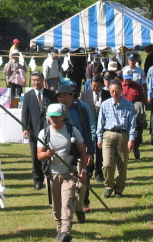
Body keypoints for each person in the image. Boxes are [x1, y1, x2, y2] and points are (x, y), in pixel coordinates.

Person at [37, 103, 87, 242]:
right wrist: (47, 154)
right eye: (51, 117)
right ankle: (59, 229)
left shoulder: (72, 131)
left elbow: (82, 151)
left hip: (69, 173)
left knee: (67, 202)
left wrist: (83, 171)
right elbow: (39, 156)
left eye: (56, 116)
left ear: (63, 116)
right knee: (56, 205)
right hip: (51, 175)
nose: (53, 119)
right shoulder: (44, 133)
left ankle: (65, 231)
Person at [55, 84, 95, 220]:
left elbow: (88, 131)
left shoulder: (80, 110)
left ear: (72, 96)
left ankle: (79, 207)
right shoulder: (54, 111)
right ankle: (68, 211)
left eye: (66, 95)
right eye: (60, 96)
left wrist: (90, 151)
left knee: (82, 183)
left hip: (79, 150)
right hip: (60, 153)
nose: (63, 98)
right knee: (65, 185)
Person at [96, 79, 136, 198]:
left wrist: (131, 139)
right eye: (112, 91)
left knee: (122, 165)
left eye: (117, 91)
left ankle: (119, 188)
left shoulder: (129, 105)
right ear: (109, 91)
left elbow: (132, 124)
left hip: (123, 135)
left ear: (121, 90)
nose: (114, 93)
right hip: (108, 135)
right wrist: (99, 138)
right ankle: (109, 185)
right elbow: (100, 122)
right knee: (107, 164)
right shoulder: (105, 104)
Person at [21, 71, 58, 189]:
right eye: (34, 80)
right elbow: (25, 113)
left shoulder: (51, 94)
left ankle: (49, 176)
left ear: (43, 81)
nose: (36, 82)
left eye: (38, 80)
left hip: (48, 131)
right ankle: (38, 179)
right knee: (35, 156)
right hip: (33, 131)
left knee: (48, 154)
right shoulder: (28, 96)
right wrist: (25, 128)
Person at [80, 75, 111, 183]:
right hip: (89, 127)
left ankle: (99, 173)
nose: (95, 88)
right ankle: (89, 170)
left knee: (101, 151)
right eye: (93, 86)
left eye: (98, 86)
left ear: (102, 85)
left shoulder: (107, 95)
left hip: (104, 127)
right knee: (89, 149)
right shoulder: (84, 95)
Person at [120, 68, 147, 159]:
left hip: (135, 113)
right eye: (125, 78)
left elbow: (143, 99)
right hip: (123, 113)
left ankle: (136, 147)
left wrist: (139, 105)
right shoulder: (119, 86)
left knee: (138, 132)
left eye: (129, 78)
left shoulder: (138, 86)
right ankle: (125, 152)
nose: (127, 80)